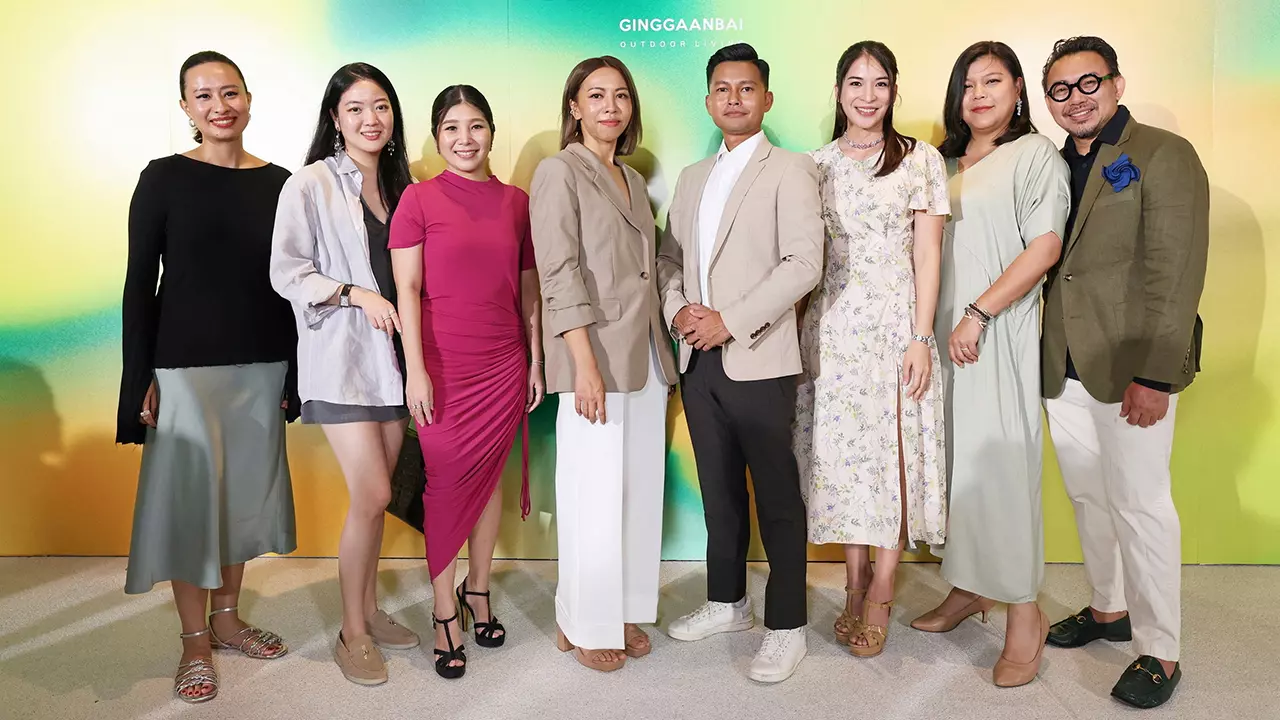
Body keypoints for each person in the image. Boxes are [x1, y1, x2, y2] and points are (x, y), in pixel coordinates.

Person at [117, 50, 297, 704]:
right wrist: (141, 375)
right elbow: (140, 284)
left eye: (230, 92)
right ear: (186, 108)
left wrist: (295, 372)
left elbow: (292, 284)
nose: (220, 106)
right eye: (204, 95)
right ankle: (194, 641)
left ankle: (227, 620)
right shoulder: (163, 178)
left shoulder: (282, 183)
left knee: (241, 502)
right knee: (191, 508)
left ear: (248, 97)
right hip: (184, 371)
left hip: (262, 366)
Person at [1039, 36, 1208, 709]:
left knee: (1141, 504)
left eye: (1089, 83)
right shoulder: (1053, 164)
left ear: (1116, 83)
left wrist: (1157, 375)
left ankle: (1160, 650)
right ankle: (1109, 608)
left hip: (1132, 367)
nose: (1076, 99)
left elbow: (1176, 271)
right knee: (1089, 496)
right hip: (1064, 367)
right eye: (1060, 89)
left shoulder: (1163, 153)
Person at [658, 43, 823, 684]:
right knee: (719, 493)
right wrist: (679, 311)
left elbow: (804, 263)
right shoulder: (692, 177)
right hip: (698, 360)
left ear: (766, 99)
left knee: (777, 497)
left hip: (759, 357)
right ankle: (727, 603)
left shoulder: (792, 169)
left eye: (746, 88)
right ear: (708, 101)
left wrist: (730, 319)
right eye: (722, 89)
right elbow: (669, 261)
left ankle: (787, 626)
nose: (734, 98)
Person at [909, 41, 1069, 687]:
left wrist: (978, 313)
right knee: (958, 470)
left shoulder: (1034, 155)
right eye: (968, 84)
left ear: (1018, 90)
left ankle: (1025, 614)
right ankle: (969, 586)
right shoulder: (940, 162)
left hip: (993, 336)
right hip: (940, 340)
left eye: (993, 81)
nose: (978, 94)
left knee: (1001, 472)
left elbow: (1045, 246)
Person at [792, 40, 948, 661]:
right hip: (830, 331)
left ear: (894, 91)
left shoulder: (920, 159)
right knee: (841, 461)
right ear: (838, 92)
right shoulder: (815, 165)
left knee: (890, 460)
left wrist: (920, 336)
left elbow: (928, 254)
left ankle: (882, 589)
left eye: (879, 83)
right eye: (855, 83)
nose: (867, 95)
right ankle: (853, 585)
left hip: (894, 330)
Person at [270, 62, 420, 687]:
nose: (370, 119)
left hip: (395, 364)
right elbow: (287, 271)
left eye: (381, 106)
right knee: (375, 494)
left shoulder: (405, 186)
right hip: (342, 363)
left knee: (376, 501)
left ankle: (369, 611)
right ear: (335, 117)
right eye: (355, 108)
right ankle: (351, 632)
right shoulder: (309, 183)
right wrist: (355, 294)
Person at [388, 84, 545, 680]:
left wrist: (534, 361)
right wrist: (416, 372)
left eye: (475, 125)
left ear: (491, 132)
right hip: (444, 365)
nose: (464, 138)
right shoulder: (418, 199)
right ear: (436, 137)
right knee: (447, 484)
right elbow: (406, 289)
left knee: (488, 480)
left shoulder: (516, 203)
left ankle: (478, 589)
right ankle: (443, 609)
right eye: (451, 128)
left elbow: (529, 290)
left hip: (503, 362)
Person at [530, 55, 678, 673]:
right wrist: (582, 363)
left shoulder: (633, 180)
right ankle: (585, 621)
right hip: (592, 355)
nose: (609, 106)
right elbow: (558, 271)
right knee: (591, 495)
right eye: (596, 95)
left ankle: (620, 609)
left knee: (635, 494)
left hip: (644, 357)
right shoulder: (558, 172)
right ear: (574, 106)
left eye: (620, 95)